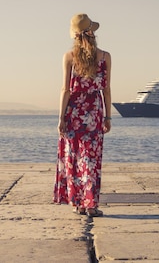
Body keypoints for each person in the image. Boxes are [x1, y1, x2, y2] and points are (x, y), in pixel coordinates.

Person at [53, 13, 112, 217]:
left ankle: (77, 202)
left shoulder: (69, 57)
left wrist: (61, 118)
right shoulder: (105, 57)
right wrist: (108, 117)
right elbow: (106, 89)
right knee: (91, 158)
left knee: (74, 156)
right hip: (94, 111)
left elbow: (65, 90)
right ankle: (91, 204)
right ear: (92, 32)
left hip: (74, 112)